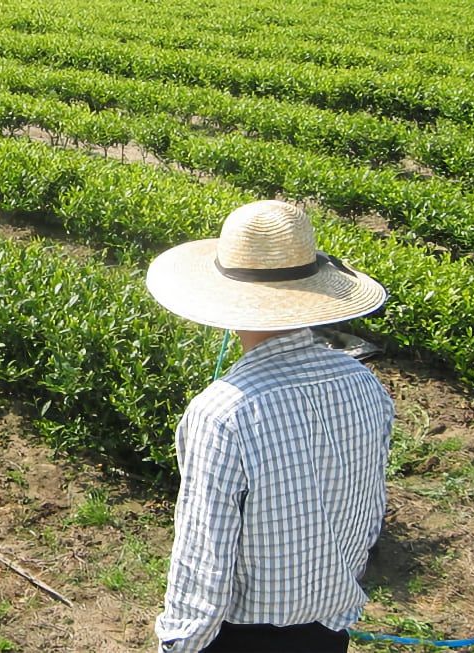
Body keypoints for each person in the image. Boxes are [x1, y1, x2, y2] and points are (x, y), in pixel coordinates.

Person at [144, 200, 394, 653]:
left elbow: (204, 560)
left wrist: (180, 643)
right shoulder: (366, 385)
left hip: (241, 638)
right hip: (328, 629)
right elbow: (368, 512)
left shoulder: (222, 414)